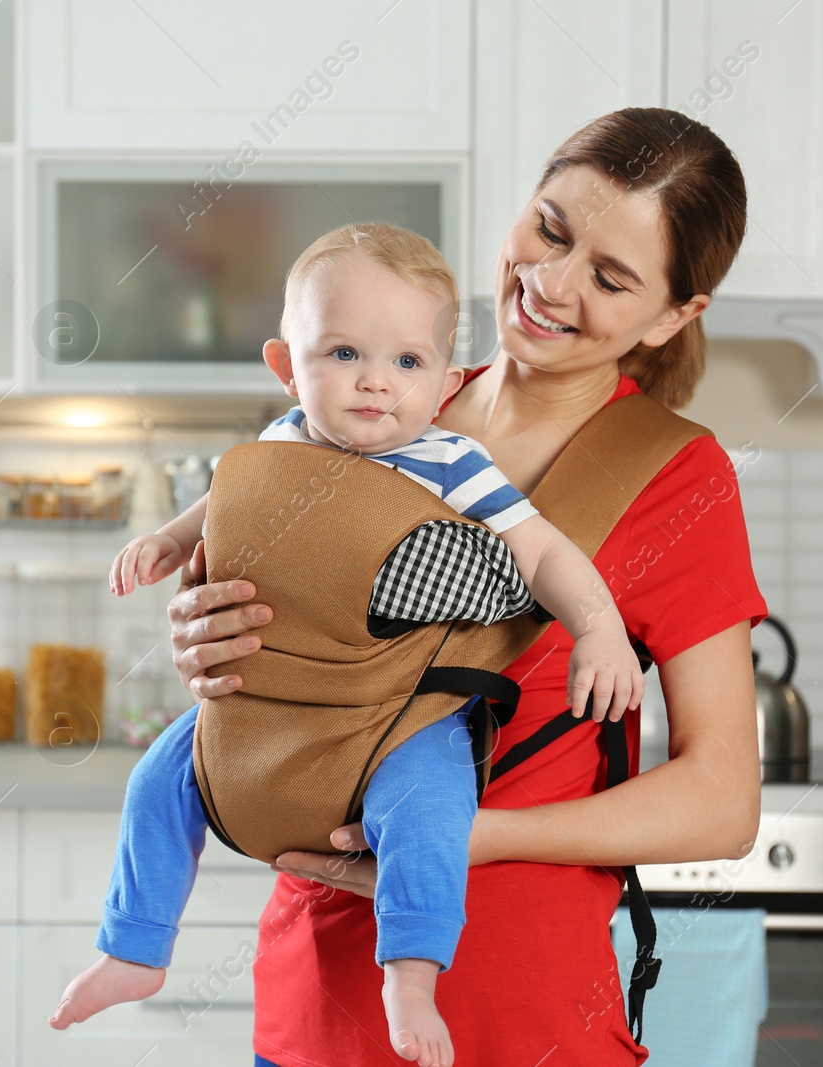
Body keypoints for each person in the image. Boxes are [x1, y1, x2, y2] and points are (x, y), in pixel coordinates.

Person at [165, 107, 767, 1066]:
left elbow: (722, 801)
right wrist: (208, 642)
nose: (550, 283)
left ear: (674, 314)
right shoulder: (382, 392)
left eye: (611, 279)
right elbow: (294, 648)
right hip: (319, 992)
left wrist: (464, 837)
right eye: (550, 229)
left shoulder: (676, 477)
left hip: (523, 1009)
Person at [51, 222, 644, 1067]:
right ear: (287, 366)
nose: (374, 381)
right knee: (158, 779)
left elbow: (541, 549)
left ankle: (409, 969)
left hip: (397, 714)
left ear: (443, 382)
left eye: (407, 362)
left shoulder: (450, 461)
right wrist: (172, 543)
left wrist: (599, 626)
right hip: (267, 706)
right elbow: (225, 503)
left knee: (432, 808)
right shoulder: (277, 445)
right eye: (341, 353)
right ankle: (134, 948)